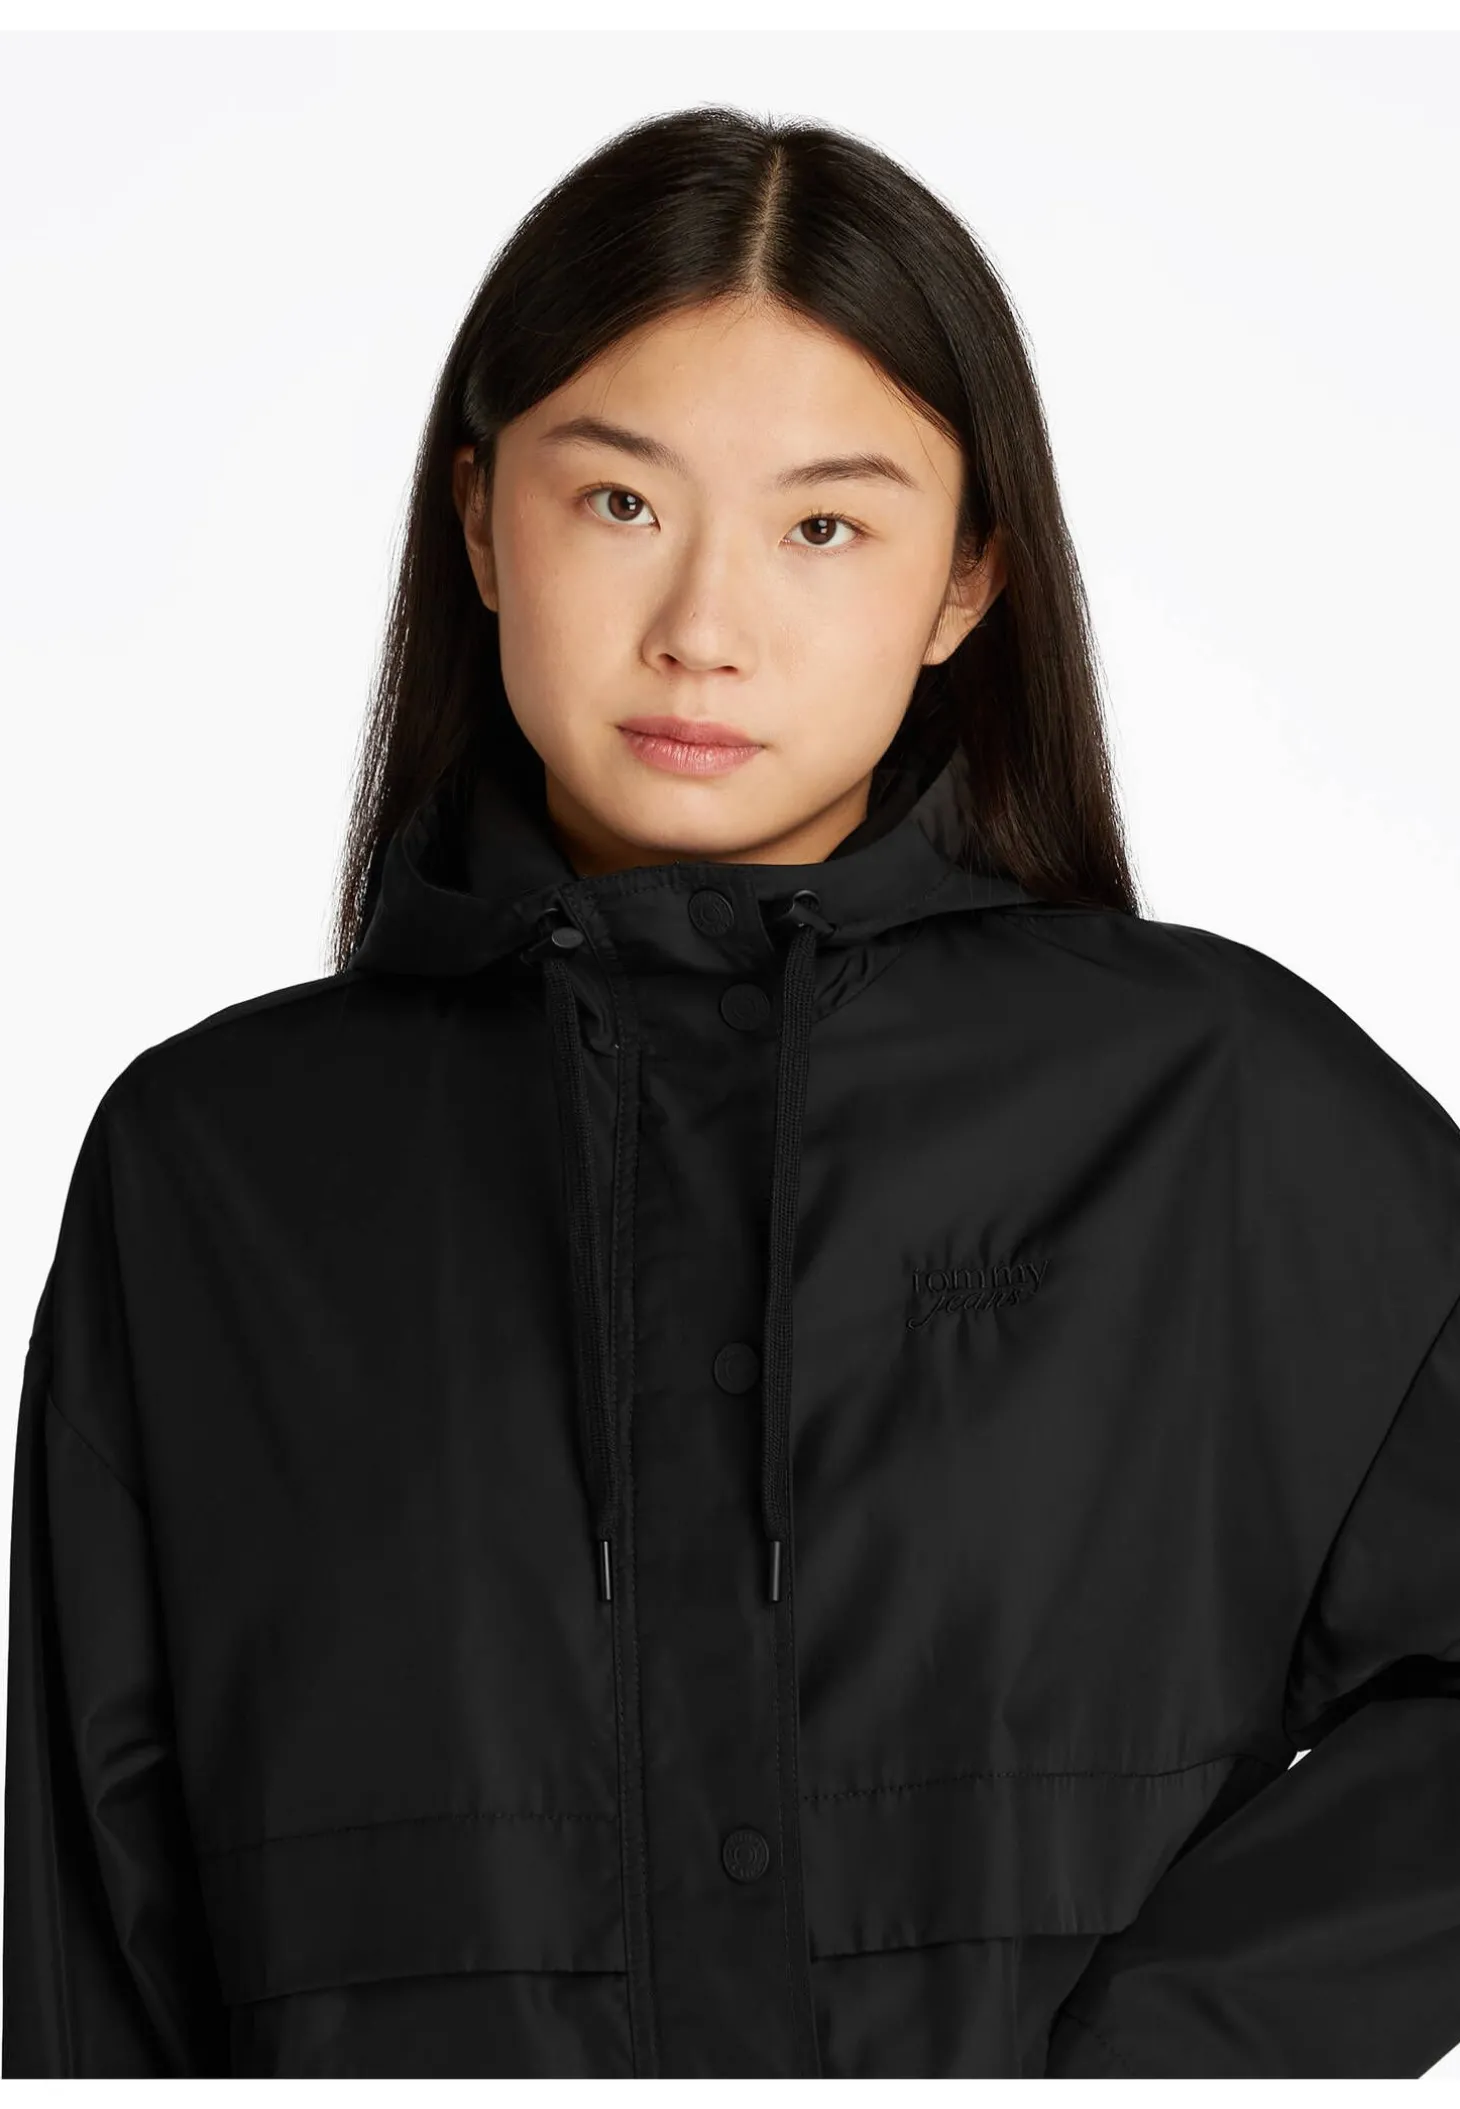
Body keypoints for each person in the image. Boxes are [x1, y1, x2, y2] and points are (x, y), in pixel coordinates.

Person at [5, 102, 1460, 2083]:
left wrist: (1156, 2067)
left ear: (964, 582)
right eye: (619, 502)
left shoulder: (1210, 1110)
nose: (703, 627)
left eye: (823, 528)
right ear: (478, 522)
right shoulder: (215, 1172)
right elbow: (93, 1951)